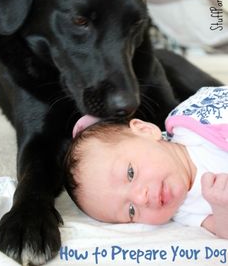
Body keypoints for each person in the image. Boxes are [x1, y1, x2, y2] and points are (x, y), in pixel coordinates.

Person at [64, 86, 228, 239]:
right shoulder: (186, 211)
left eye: (130, 173)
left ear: (145, 131)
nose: (141, 199)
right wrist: (221, 210)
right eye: (131, 210)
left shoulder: (195, 125)